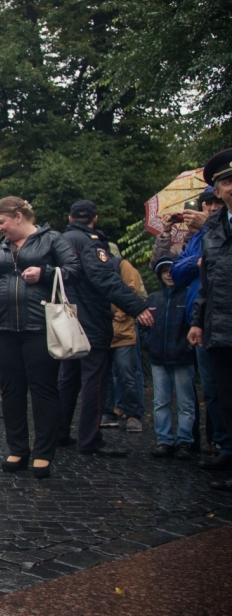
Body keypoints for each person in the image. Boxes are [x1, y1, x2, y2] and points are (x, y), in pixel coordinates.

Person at [0, 197, 80, 478]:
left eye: (1, 222)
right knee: (11, 390)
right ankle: (17, 448)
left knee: (43, 389)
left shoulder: (52, 240)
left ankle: (44, 452)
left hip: (40, 327)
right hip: (4, 329)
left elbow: (76, 270)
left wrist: (46, 273)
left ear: (19, 217)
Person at [56, 200, 153, 458]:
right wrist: (137, 307)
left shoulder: (58, 242)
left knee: (67, 379)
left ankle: (59, 432)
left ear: (70, 217)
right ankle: (90, 439)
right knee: (94, 380)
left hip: (66, 320)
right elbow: (105, 279)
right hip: (91, 320)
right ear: (95, 219)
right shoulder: (91, 243)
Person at [170, 186, 231, 468]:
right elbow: (176, 272)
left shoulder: (213, 230)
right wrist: (197, 322)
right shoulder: (201, 238)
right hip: (208, 319)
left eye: (217, 203)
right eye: (209, 203)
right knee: (215, 388)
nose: (213, 207)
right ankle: (223, 444)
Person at [188, 149, 232, 491]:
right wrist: (198, 321)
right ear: (216, 191)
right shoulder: (214, 227)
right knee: (223, 393)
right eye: (227, 182)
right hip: (220, 324)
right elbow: (208, 281)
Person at [143, 257, 196, 460]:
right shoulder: (154, 298)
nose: (168, 275)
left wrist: (188, 347)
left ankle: (184, 441)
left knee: (186, 402)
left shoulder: (187, 296)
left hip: (182, 358)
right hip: (158, 357)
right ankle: (164, 440)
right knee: (161, 401)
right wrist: (149, 343)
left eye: (171, 270)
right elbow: (144, 325)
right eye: (164, 271)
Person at [104, 252, 148, 433]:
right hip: (102, 333)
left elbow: (132, 294)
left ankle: (134, 414)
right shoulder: (92, 267)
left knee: (127, 374)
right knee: (104, 376)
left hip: (124, 333)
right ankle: (107, 412)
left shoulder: (123, 266)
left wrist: (117, 318)